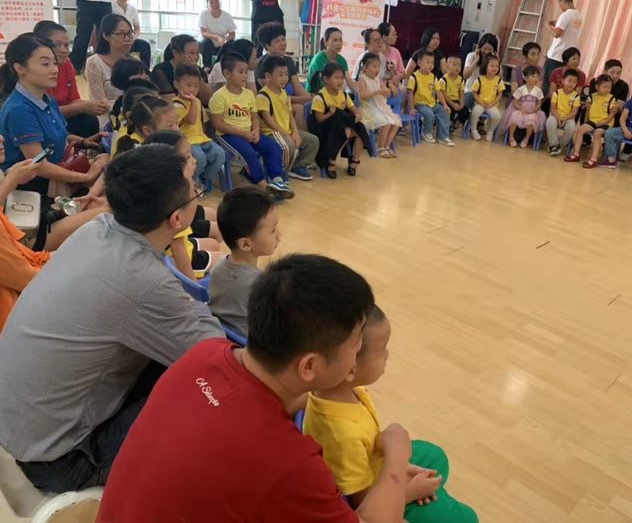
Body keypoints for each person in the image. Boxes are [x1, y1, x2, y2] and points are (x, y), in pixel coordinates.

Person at [97, 254, 413, 522]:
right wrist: (397, 456)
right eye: (356, 343)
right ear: (309, 366)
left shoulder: (204, 354)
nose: (359, 350)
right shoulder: (288, 462)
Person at [0, 144, 224, 493]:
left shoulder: (98, 228)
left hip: (19, 426)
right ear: (177, 219)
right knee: (214, 394)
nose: (197, 191)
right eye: (194, 187)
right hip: (63, 460)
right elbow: (214, 356)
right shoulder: (142, 280)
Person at [304, 305, 479, 523]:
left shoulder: (344, 392)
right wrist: (411, 491)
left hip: (378, 466)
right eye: (382, 349)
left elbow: (368, 450)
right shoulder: (341, 434)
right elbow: (361, 503)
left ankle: (433, 496)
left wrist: (400, 466)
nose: (387, 355)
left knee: (434, 455)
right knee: (466, 518)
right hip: (379, 498)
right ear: (351, 368)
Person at [0, 134, 106, 328]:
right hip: (16, 316)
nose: (1, 138)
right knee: (104, 214)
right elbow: (28, 279)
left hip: (24, 250)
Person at [0, 33, 107, 195]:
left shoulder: (46, 99)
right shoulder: (19, 110)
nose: (55, 69)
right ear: (20, 68)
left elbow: (61, 134)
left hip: (60, 171)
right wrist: (85, 177)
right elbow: (39, 165)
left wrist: (83, 141)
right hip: (33, 190)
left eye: (54, 63)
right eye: (45, 64)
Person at [209, 52, 293, 197]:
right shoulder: (219, 96)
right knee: (248, 152)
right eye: (240, 72)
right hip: (227, 136)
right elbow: (218, 124)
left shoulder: (248, 94)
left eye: (246, 72)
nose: (244, 76)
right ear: (227, 74)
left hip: (249, 133)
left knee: (273, 147)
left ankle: (277, 181)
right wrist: (242, 133)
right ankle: (263, 186)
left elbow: (254, 117)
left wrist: (255, 130)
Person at [141, 132, 224, 279]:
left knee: (214, 244)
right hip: (177, 258)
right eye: (188, 157)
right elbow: (178, 249)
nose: (194, 161)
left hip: (180, 247)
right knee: (227, 263)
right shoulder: (175, 200)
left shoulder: (161, 187)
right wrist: (193, 285)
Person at [208, 187, 279, 336]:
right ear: (245, 244)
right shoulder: (262, 285)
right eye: (273, 230)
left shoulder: (218, 266)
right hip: (249, 341)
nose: (279, 235)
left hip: (221, 333)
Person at [33, 20, 107, 138]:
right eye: (56, 44)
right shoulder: (35, 72)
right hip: (45, 121)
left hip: (63, 116)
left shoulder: (66, 63)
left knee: (90, 120)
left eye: (67, 45)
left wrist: (93, 105)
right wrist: (82, 107)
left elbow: (74, 99)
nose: (64, 50)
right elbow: (45, 113)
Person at [257, 56, 320, 179]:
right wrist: (285, 134)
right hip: (272, 132)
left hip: (287, 131)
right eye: (280, 75)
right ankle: (279, 173)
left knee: (313, 141)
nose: (284, 78)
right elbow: (268, 120)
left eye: (286, 75)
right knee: (289, 145)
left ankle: (298, 167)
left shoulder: (285, 93)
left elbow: (290, 114)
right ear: (268, 76)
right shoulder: (263, 96)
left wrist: (295, 132)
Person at [308, 62, 370, 177]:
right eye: (336, 78)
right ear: (326, 79)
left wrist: (358, 114)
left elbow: (355, 110)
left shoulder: (343, 94)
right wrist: (330, 114)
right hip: (324, 130)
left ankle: (354, 161)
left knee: (361, 129)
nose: (340, 81)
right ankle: (331, 160)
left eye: (342, 78)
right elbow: (319, 120)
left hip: (340, 126)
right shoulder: (319, 97)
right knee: (341, 124)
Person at [173, 64, 225, 192]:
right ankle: (193, 179)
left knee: (220, 154)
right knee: (199, 158)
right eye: (188, 85)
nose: (192, 90)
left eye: (196, 86)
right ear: (176, 84)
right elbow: (191, 120)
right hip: (187, 141)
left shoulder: (197, 101)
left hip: (202, 138)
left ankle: (206, 178)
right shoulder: (176, 104)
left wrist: (209, 138)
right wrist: (192, 102)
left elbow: (203, 122)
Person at [255, 24, 312, 127]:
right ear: (267, 46)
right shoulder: (261, 64)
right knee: (299, 108)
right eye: (277, 41)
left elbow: (298, 89)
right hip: (267, 105)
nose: (282, 43)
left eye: (283, 39)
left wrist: (310, 97)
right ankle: (299, 135)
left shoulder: (288, 61)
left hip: (284, 100)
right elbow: (272, 94)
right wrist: (301, 100)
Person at [565, 74, 617, 167]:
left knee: (597, 134)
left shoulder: (611, 98)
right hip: (592, 121)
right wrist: (586, 121)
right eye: (605, 87)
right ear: (597, 87)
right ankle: (576, 154)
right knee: (580, 129)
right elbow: (588, 111)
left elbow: (612, 114)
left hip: (606, 122)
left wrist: (604, 122)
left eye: (609, 87)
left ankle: (593, 159)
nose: (607, 89)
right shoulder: (592, 97)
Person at [357, 53, 401, 158]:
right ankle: (380, 148)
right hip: (369, 108)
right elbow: (363, 96)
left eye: (378, 66)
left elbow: (386, 92)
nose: (377, 69)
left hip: (380, 106)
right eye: (374, 66)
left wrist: (388, 90)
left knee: (395, 123)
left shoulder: (378, 79)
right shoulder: (362, 79)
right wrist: (378, 92)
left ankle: (386, 146)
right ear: (365, 67)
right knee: (386, 123)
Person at [407, 52, 454, 147]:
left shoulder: (433, 77)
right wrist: (411, 108)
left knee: (444, 112)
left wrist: (445, 105)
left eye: (432, 63)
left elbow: (438, 92)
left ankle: (443, 137)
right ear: (419, 63)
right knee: (429, 114)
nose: (430, 65)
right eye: (427, 62)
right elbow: (410, 94)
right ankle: (426, 132)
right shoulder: (413, 77)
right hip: (420, 104)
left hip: (432, 104)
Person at [150, 34, 212, 104]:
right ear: (176, 53)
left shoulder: (199, 70)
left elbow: (208, 100)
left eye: (197, 53)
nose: (195, 57)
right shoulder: (161, 70)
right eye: (191, 53)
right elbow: (171, 102)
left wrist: (196, 72)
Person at [543, 0, 582, 96]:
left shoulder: (565, 15)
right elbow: (569, 30)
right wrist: (557, 24)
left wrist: (547, 25)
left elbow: (557, 34)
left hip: (556, 56)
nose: (559, 5)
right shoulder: (578, 15)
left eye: (559, 2)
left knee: (549, 83)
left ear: (563, 0)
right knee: (561, 85)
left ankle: (546, 104)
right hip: (568, 58)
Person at [111, 0, 151, 69]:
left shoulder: (132, 9)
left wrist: (134, 37)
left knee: (144, 45)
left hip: (130, 37)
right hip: (117, 38)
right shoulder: (111, 7)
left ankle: (144, 71)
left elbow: (137, 28)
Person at [305, 27, 357, 93]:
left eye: (340, 40)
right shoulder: (319, 59)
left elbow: (349, 82)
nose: (339, 43)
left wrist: (358, 94)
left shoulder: (342, 60)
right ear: (326, 42)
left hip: (333, 93)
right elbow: (322, 83)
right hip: (314, 94)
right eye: (335, 40)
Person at [469, 53, 505, 142]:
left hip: (491, 105)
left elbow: (500, 94)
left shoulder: (499, 80)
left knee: (497, 115)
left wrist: (493, 103)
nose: (494, 68)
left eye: (496, 66)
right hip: (480, 103)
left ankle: (490, 131)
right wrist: (481, 102)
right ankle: (474, 130)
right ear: (486, 66)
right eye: (492, 66)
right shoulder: (480, 79)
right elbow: (474, 92)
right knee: (476, 112)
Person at [506, 66, 545, 149]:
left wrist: (533, 110)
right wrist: (520, 108)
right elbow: (515, 101)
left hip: (532, 111)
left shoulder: (538, 90)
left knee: (531, 121)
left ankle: (526, 138)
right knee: (514, 118)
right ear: (526, 78)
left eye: (537, 76)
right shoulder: (521, 89)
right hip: (521, 110)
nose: (536, 79)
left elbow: (539, 103)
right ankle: (511, 137)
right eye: (533, 76)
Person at [545, 69, 580, 156]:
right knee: (550, 122)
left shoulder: (576, 96)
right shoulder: (556, 93)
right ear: (563, 81)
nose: (571, 84)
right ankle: (554, 144)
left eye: (574, 82)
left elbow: (574, 112)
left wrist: (565, 118)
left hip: (569, 118)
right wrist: (558, 118)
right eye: (569, 81)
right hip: (556, 115)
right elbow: (552, 108)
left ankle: (558, 146)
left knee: (572, 127)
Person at [198, 0, 237, 70]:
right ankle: (207, 67)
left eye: (217, 2)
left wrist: (225, 40)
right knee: (206, 43)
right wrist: (216, 37)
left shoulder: (227, 16)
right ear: (207, 5)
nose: (215, 4)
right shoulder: (203, 14)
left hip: (222, 42)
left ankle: (225, 67)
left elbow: (232, 33)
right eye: (212, 3)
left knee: (232, 44)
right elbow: (203, 33)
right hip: (208, 41)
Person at [462, 33, 499, 110]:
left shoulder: (493, 61)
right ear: (479, 48)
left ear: (494, 51)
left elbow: (499, 79)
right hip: (470, 91)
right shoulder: (471, 56)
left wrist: (498, 62)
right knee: (470, 99)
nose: (486, 52)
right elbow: (465, 76)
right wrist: (476, 60)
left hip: (486, 95)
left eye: (490, 49)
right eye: (484, 48)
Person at [436, 55, 468, 132]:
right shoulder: (443, 80)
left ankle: (454, 125)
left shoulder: (460, 79)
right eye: (454, 65)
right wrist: (453, 104)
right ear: (447, 66)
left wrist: (461, 103)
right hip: (445, 102)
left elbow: (461, 92)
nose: (457, 67)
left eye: (459, 65)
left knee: (466, 112)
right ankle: (444, 127)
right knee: (450, 111)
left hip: (456, 101)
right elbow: (443, 94)